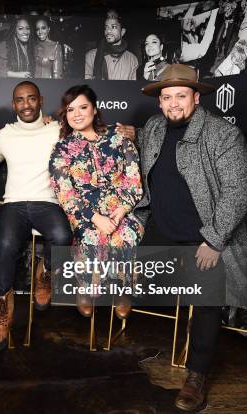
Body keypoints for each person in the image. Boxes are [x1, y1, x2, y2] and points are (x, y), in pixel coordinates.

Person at [133, 64, 247, 411]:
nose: (173, 104)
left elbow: (238, 189)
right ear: (160, 102)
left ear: (196, 98)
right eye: (167, 97)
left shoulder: (222, 135)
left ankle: (196, 376)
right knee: (119, 265)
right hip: (160, 230)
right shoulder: (154, 128)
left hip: (202, 236)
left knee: (205, 297)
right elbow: (135, 151)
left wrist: (215, 240)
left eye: (181, 96)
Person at [0, 81, 73, 351]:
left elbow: (89, 134)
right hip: (13, 204)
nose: (26, 104)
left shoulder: (56, 129)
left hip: (47, 202)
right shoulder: (4, 135)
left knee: (62, 236)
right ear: (14, 105)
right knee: (3, 246)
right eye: (20, 100)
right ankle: (2, 312)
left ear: (41, 100)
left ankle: (44, 273)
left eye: (31, 99)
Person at [49, 85, 143, 317]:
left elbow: (133, 180)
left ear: (95, 109)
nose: (77, 114)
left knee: (126, 233)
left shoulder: (118, 138)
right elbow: (65, 193)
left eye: (83, 107)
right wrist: (95, 218)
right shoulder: (62, 149)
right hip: (83, 212)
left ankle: (123, 289)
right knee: (92, 235)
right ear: (65, 114)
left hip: (120, 207)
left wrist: (120, 212)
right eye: (71, 109)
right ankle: (86, 288)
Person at [84, 14, 138, 80]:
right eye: (106, 27)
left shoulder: (132, 59)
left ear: (122, 32)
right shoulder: (91, 56)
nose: (108, 31)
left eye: (113, 27)